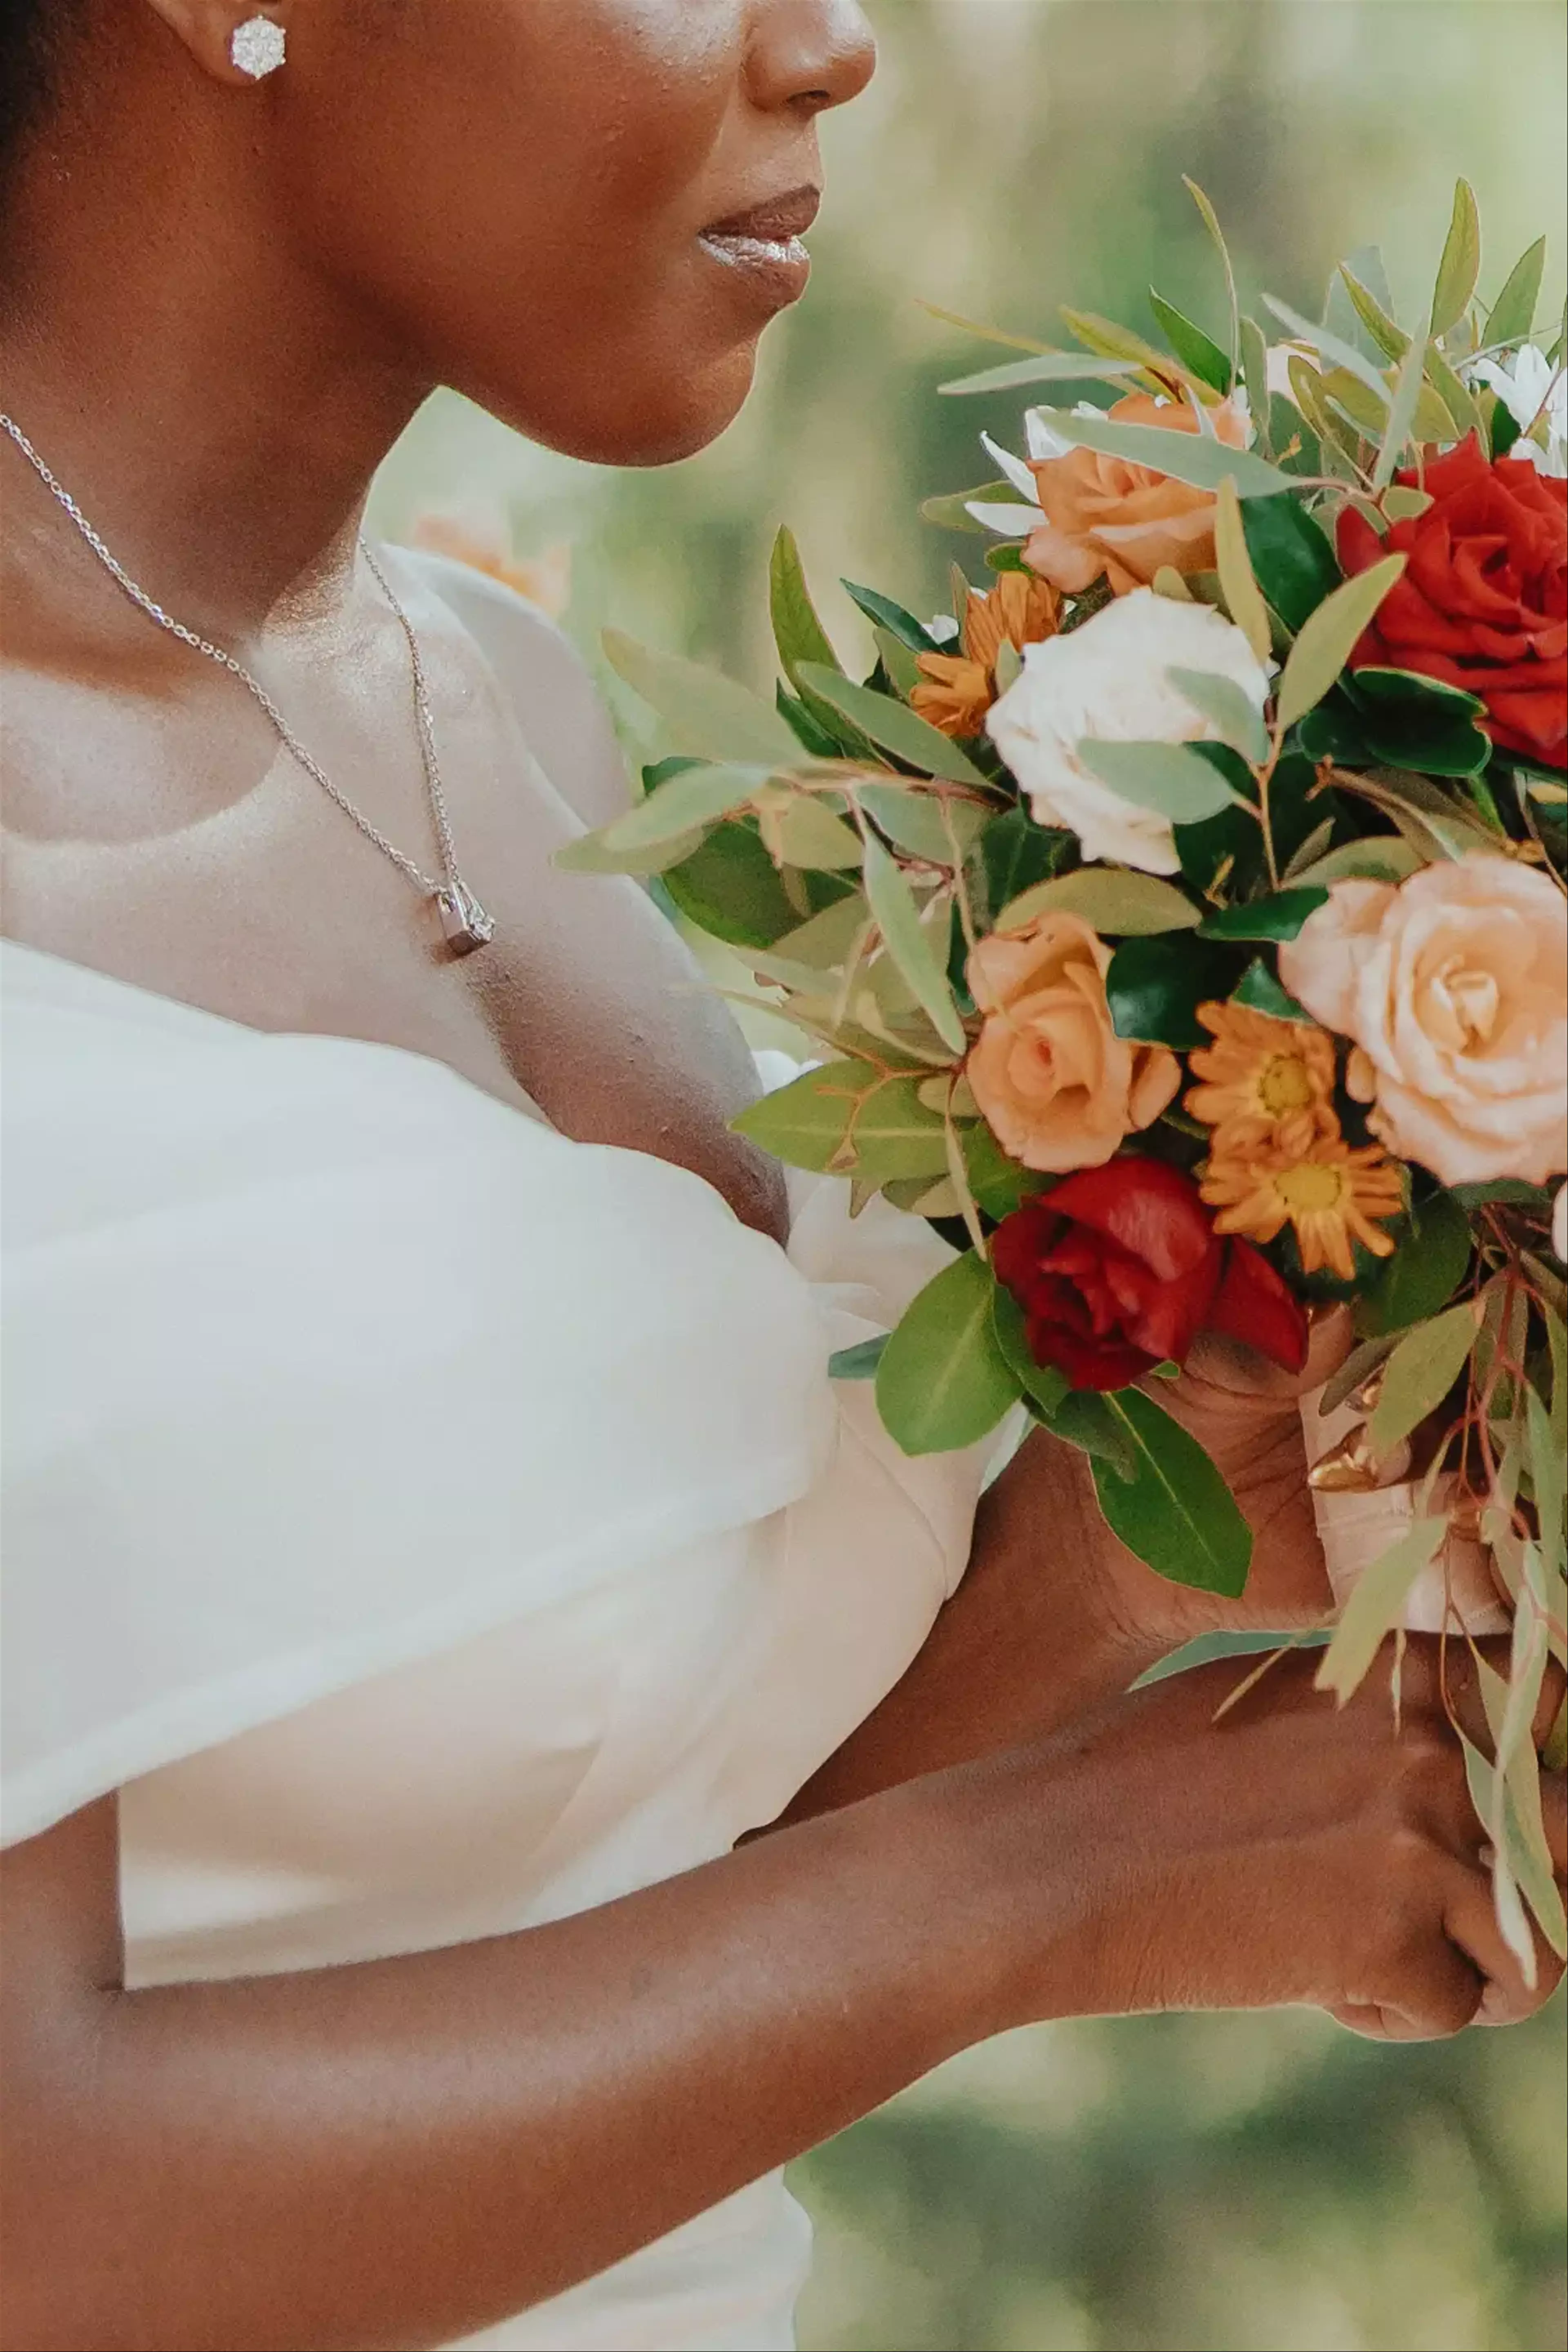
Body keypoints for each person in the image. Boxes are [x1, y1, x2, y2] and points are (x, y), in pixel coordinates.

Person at [0, 6, 1561, 2349]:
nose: (829, 44)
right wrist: (1066, 1880)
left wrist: (1139, 1567)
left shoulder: (493, 706)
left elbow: (616, 1897)